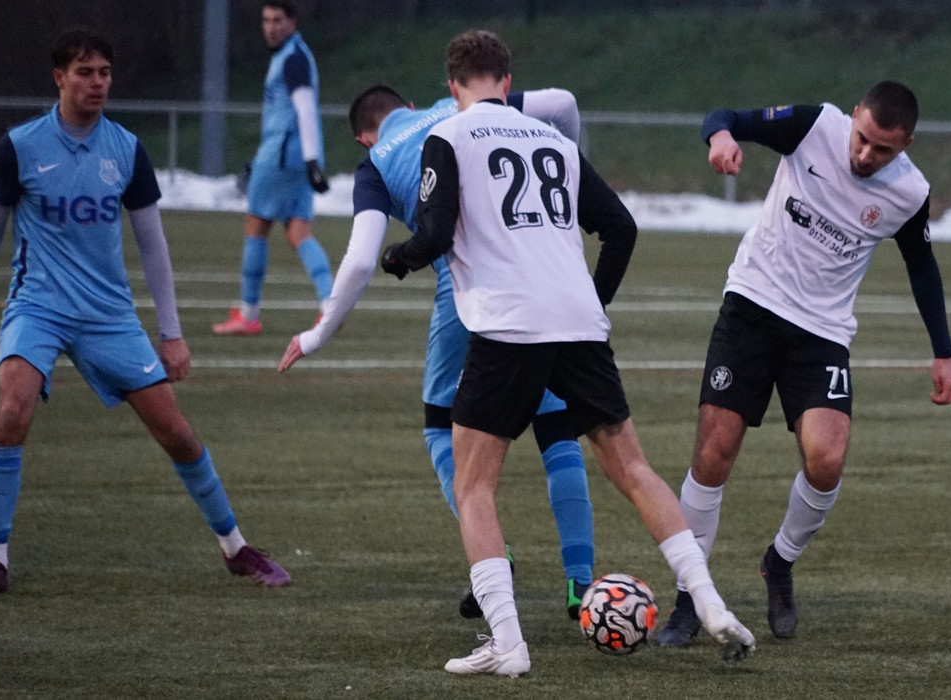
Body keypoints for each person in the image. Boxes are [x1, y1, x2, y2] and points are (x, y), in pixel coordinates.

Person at [379, 29, 755, 677]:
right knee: (633, 469)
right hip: (577, 325)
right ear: (507, 81)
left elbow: (435, 232)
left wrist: (401, 257)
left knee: (474, 485)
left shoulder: (450, 135)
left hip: (507, 324)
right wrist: (591, 302)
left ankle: (508, 643)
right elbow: (621, 227)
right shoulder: (552, 138)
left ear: (452, 87)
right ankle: (712, 604)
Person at [655, 81, 951, 647]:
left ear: (906, 145)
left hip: (821, 332)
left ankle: (780, 561)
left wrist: (943, 352)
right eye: (862, 138)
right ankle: (689, 599)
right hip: (752, 305)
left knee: (827, 460)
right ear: (854, 116)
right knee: (713, 454)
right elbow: (725, 114)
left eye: (883, 149)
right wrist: (720, 138)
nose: (865, 155)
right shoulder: (814, 126)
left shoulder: (909, 192)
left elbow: (922, 266)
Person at [0, 27, 290, 595]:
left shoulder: (126, 149)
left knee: (176, 432)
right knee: (12, 410)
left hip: (109, 315)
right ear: (59, 78)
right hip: (38, 306)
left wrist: (171, 333)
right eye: (85, 72)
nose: (97, 82)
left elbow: (152, 245)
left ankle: (235, 547)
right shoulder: (20, 146)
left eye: (104, 72)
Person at [278, 84, 596, 620]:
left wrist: (317, 334)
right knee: (554, 417)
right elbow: (563, 104)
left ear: (363, 137)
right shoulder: (464, 107)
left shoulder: (376, 163)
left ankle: (493, 556)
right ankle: (580, 583)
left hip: (467, 284)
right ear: (410, 105)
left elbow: (361, 260)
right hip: (542, 272)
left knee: (439, 424)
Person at [212, 0, 333, 335]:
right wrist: (311, 159)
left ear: (293, 22)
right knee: (298, 233)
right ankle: (330, 306)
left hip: (281, 157)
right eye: (266, 20)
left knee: (256, 227)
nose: (271, 27)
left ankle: (249, 315)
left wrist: (310, 159)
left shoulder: (292, 58)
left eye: (278, 20)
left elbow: (305, 109)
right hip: (294, 157)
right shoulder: (295, 55)